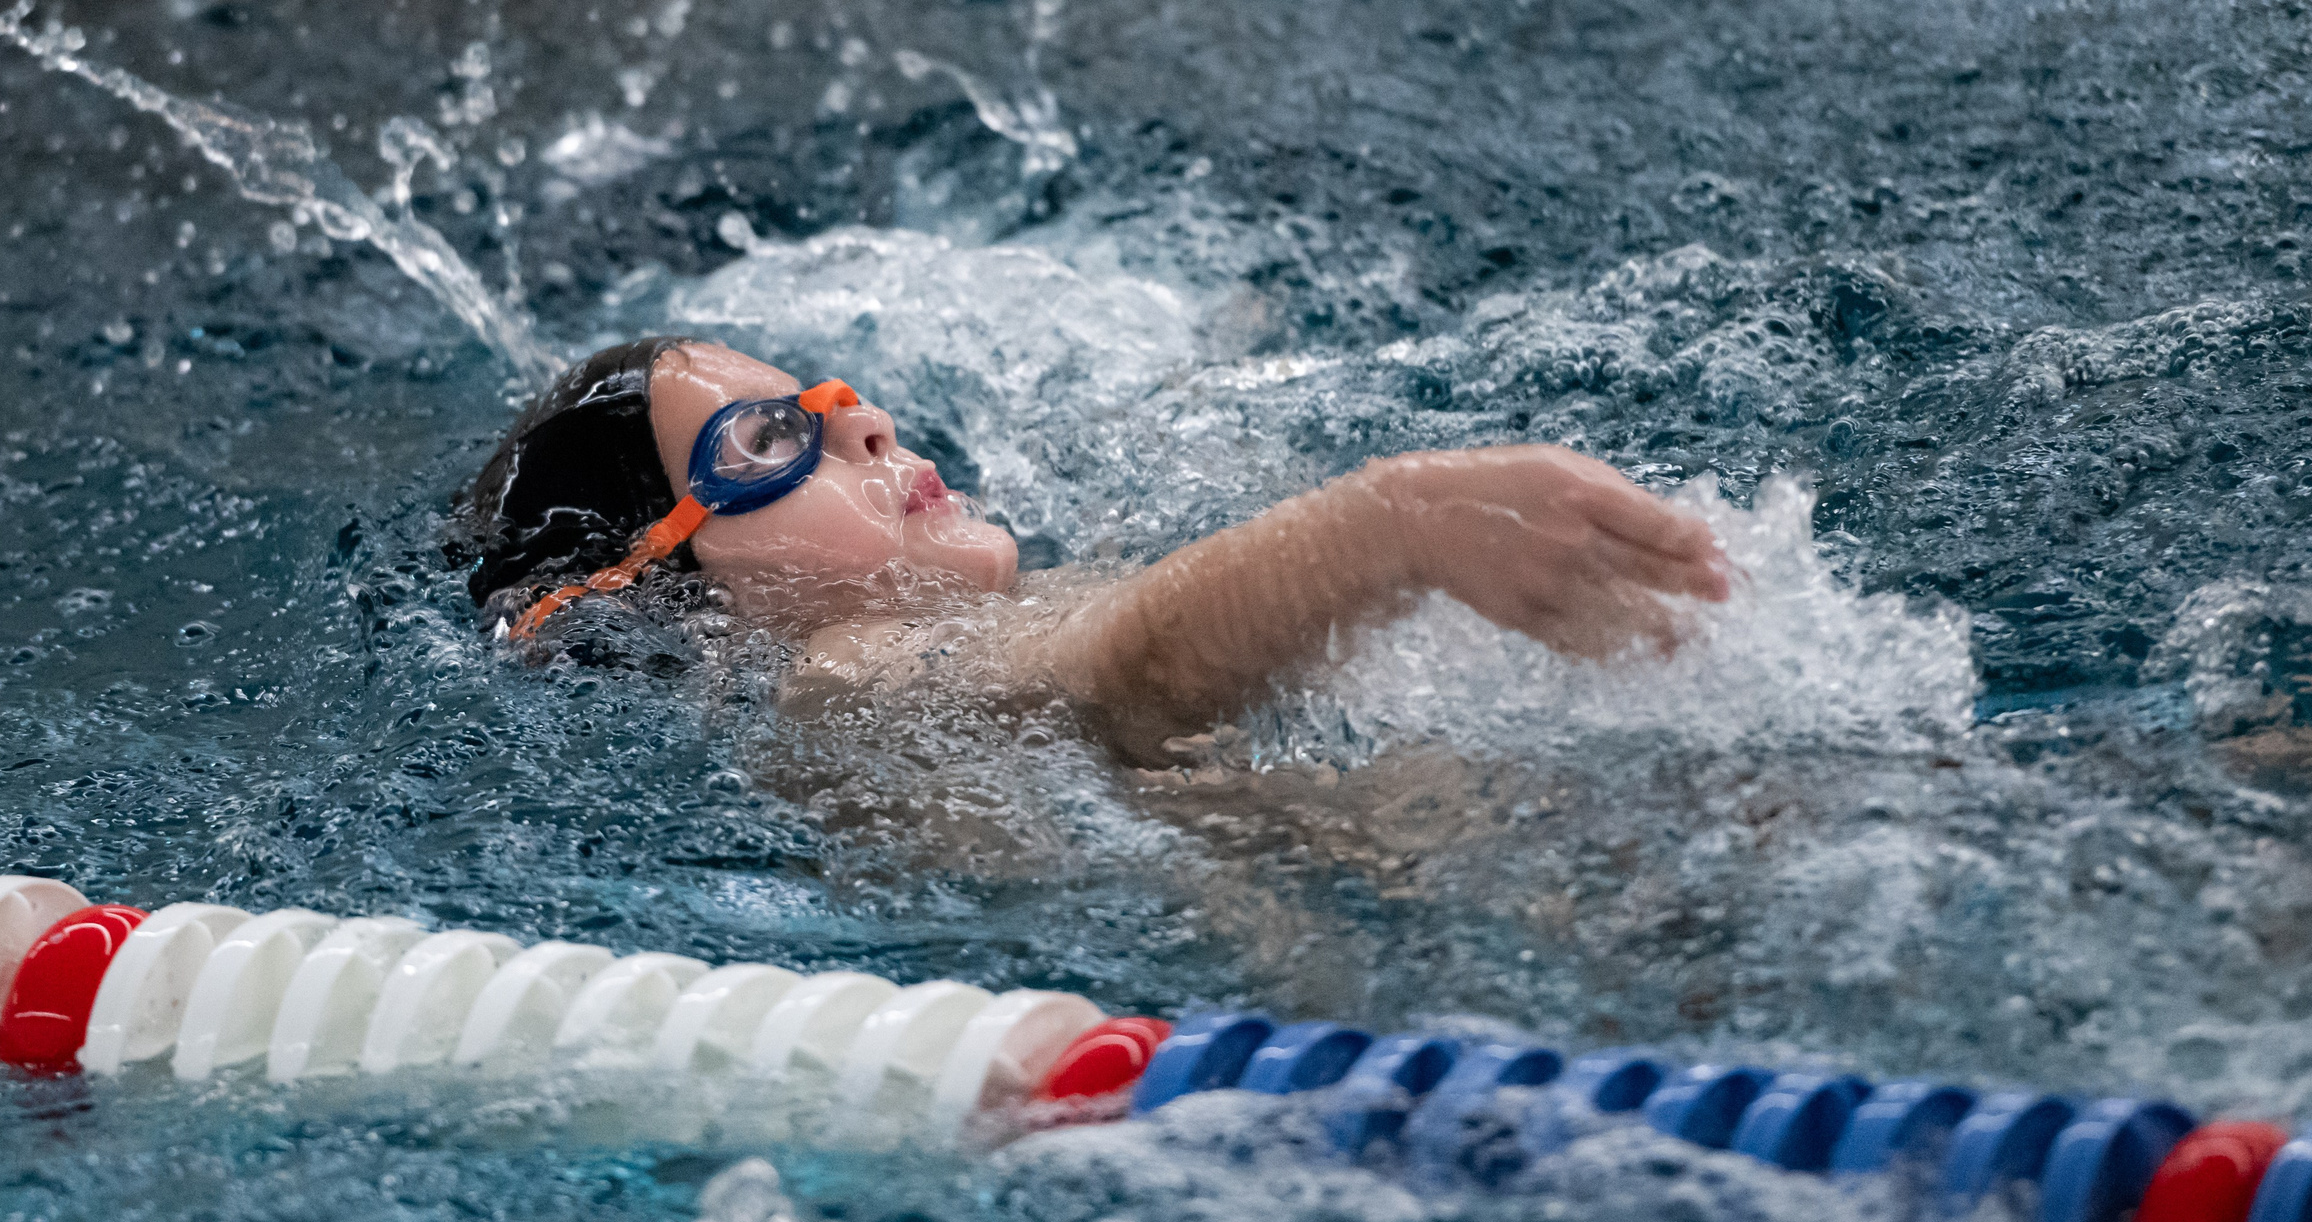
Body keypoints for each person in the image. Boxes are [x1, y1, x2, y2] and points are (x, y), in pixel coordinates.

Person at [455, 337, 1730, 767]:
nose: (867, 422)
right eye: (769, 443)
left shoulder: (934, 627)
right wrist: (1395, 523)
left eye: (833, 399)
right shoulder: (831, 683)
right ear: (658, 589)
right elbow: (1121, 682)